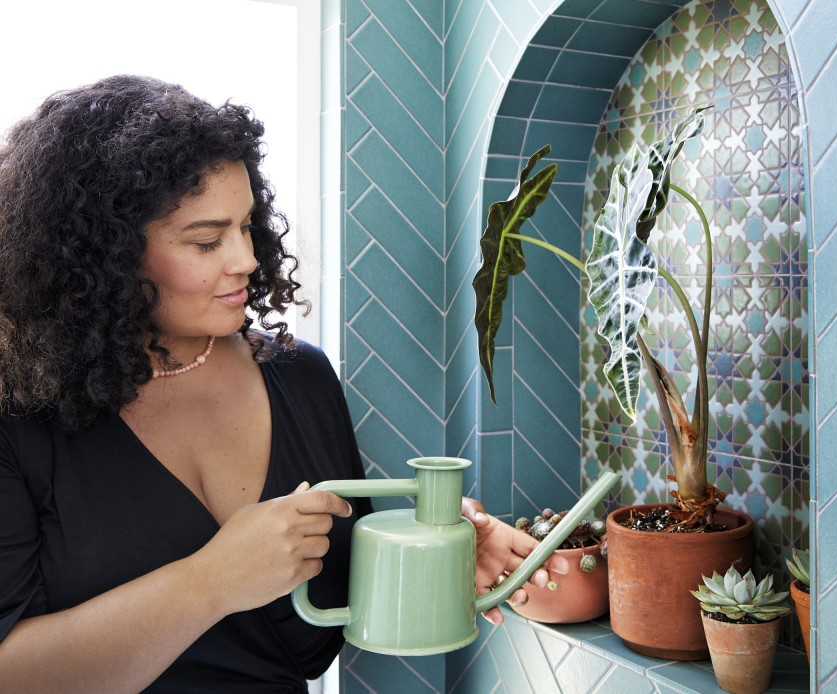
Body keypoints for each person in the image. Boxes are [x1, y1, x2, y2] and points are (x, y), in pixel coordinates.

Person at [0, 75, 566, 693]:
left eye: (247, 226)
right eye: (208, 240)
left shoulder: (300, 377)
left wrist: (437, 554)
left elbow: (336, 592)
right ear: (102, 255)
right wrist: (209, 582)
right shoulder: (19, 414)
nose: (244, 258)